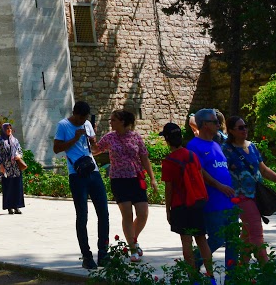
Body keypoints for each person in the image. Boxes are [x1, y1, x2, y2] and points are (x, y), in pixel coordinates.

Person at [224, 115, 276, 265]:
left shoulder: (252, 146)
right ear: (231, 131)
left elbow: (263, 169)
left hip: (257, 194)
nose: (245, 130)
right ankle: (266, 268)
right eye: (240, 128)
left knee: (246, 235)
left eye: (245, 126)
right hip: (241, 197)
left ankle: (241, 272)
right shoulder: (226, 150)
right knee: (256, 232)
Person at [55, 100, 108, 269]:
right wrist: (75, 138)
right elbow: (56, 148)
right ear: (74, 113)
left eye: (85, 118)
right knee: (82, 216)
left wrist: (93, 141)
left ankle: (103, 253)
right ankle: (86, 256)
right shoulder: (63, 125)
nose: (82, 121)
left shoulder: (87, 124)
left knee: (104, 213)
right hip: (76, 175)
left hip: (93, 171)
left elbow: (93, 148)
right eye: (80, 118)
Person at [161, 122, 215, 285]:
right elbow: (199, 177)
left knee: (186, 243)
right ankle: (211, 277)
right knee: (202, 240)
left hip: (180, 205)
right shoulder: (192, 155)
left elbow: (169, 189)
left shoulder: (168, 161)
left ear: (167, 140)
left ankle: (193, 279)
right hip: (197, 203)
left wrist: (168, 210)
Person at [95, 109, 153, 254]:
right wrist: (91, 139)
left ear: (122, 122)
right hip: (118, 180)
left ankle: (132, 239)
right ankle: (133, 249)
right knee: (127, 215)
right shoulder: (110, 137)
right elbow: (96, 150)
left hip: (136, 178)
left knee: (143, 214)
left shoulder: (135, 137)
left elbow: (144, 157)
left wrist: (152, 178)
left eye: (113, 120)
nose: (111, 122)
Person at [187, 109, 241, 264]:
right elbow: (199, 171)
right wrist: (219, 186)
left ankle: (232, 278)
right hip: (213, 202)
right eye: (215, 122)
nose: (219, 124)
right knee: (217, 239)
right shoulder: (194, 146)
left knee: (233, 242)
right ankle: (193, 263)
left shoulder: (216, 145)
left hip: (229, 201)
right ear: (204, 125)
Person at [0, 121, 26, 215]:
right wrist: (1, 165)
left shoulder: (15, 140)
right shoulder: (0, 141)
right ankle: (9, 207)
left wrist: (19, 156)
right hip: (7, 167)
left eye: (10, 129)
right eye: (7, 129)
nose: (9, 130)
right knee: (8, 187)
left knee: (17, 186)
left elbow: (20, 151)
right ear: (3, 130)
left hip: (16, 167)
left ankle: (17, 206)